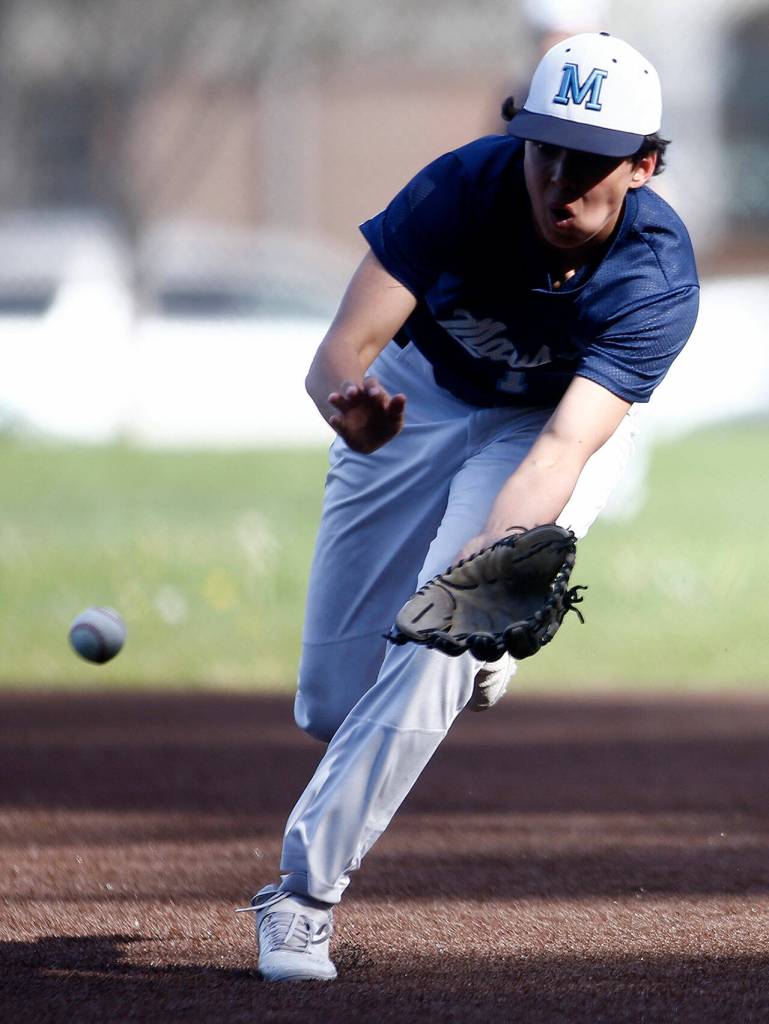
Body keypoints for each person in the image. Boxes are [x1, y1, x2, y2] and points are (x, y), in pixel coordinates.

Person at [239, 32, 699, 981]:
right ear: (516, 138)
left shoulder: (655, 276)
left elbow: (567, 445)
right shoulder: (459, 188)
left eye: (594, 160)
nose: (560, 179)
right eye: (545, 147)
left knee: (454, 623)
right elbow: (341, 351)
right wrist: (349, 411)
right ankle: (481, 657)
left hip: (539, 427)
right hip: (418, 398)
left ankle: (302, 898)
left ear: (645, 167)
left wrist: (482, 573)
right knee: (334, 704)